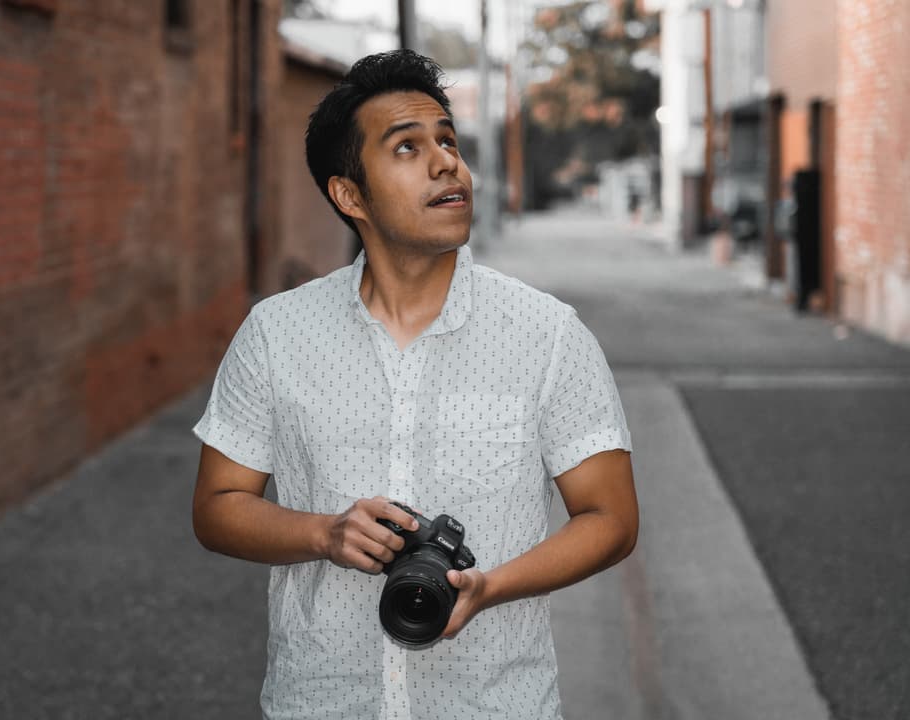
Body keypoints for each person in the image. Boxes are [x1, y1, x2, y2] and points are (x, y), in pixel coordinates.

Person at [192, 50, 638, 720]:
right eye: (408, 147)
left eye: (448, 140)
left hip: (494, 706)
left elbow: (612, 519)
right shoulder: (276, 333)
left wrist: (492, 586)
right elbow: (216, 506)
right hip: (323, 702)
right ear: (350, 196)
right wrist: (324, 534)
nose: (445, 163)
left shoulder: (547, 334)